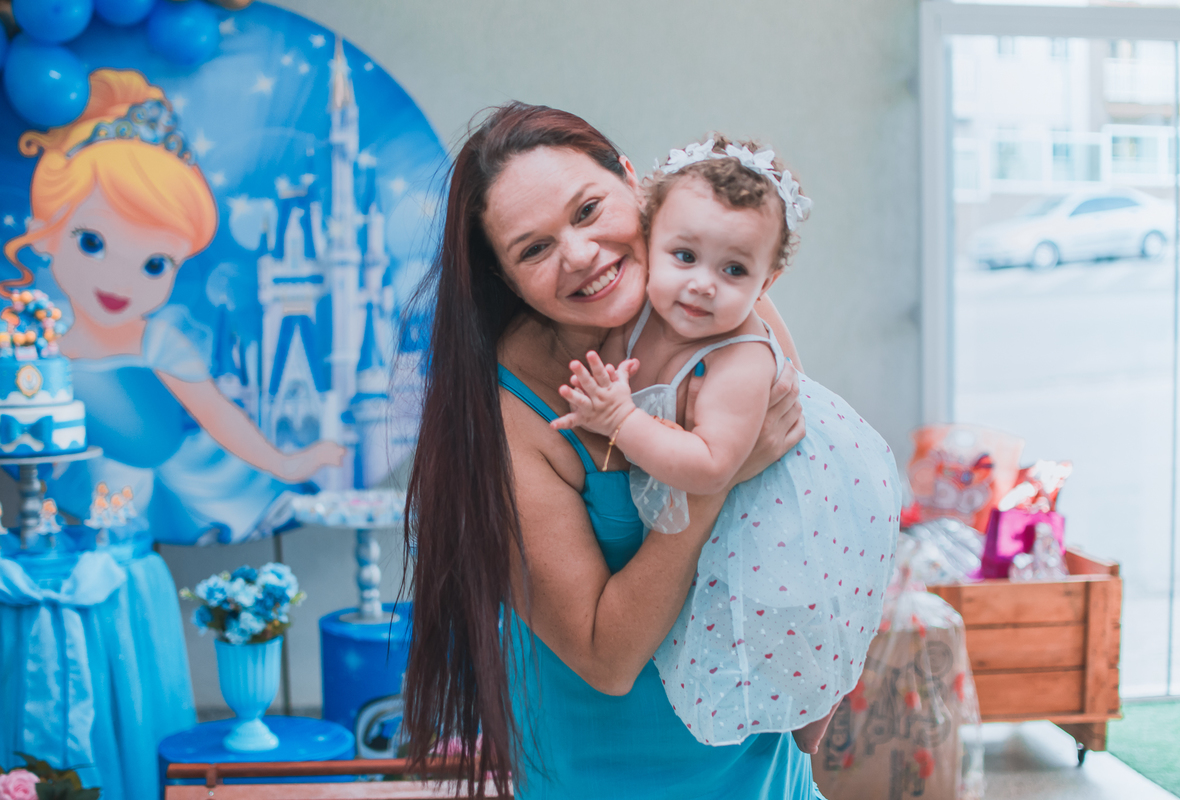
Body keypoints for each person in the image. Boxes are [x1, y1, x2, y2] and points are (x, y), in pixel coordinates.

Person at [403, 103, 823, 799]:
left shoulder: (718, 303)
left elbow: (794, 490)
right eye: (534, 249)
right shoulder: (512, 413)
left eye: (589, 209)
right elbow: (606, 657)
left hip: (763, 771)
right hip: (605, 777)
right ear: (507, 279)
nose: (580, 254)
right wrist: (711, 478)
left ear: (635, 184)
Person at [550, 136, 901, 753]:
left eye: (734, 270)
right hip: (721, 486)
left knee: (797, 615)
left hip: (788, 506)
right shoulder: (643, 311)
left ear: (769, 278)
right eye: (684, 255)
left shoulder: (738, 357)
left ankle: (812, 724)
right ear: (648, 240)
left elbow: (711, 467)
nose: (703, 286)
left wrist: (619, 420)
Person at [3, 68, 344, 543]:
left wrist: (284, 462)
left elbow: (217, 414)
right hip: (84, 495)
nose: (120, 280)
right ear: (48, 230)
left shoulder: (162, 343)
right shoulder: (35, 339)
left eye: (155, 264)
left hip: (187, 483)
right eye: (94, 242)